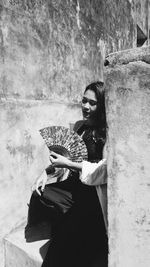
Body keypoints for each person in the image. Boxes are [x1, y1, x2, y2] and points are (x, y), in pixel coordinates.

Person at [25, 81, 108, 266]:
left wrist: (69, 163)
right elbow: (64, 157)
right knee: (40, 193)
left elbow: (105, 170)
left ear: (101, 105)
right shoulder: (81, 128)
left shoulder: (106, 134)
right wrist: (46, 173)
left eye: (92, 103)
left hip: (92, 198)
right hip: (74, 189)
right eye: (84, 101)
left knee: (69, 247)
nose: (85, 106)